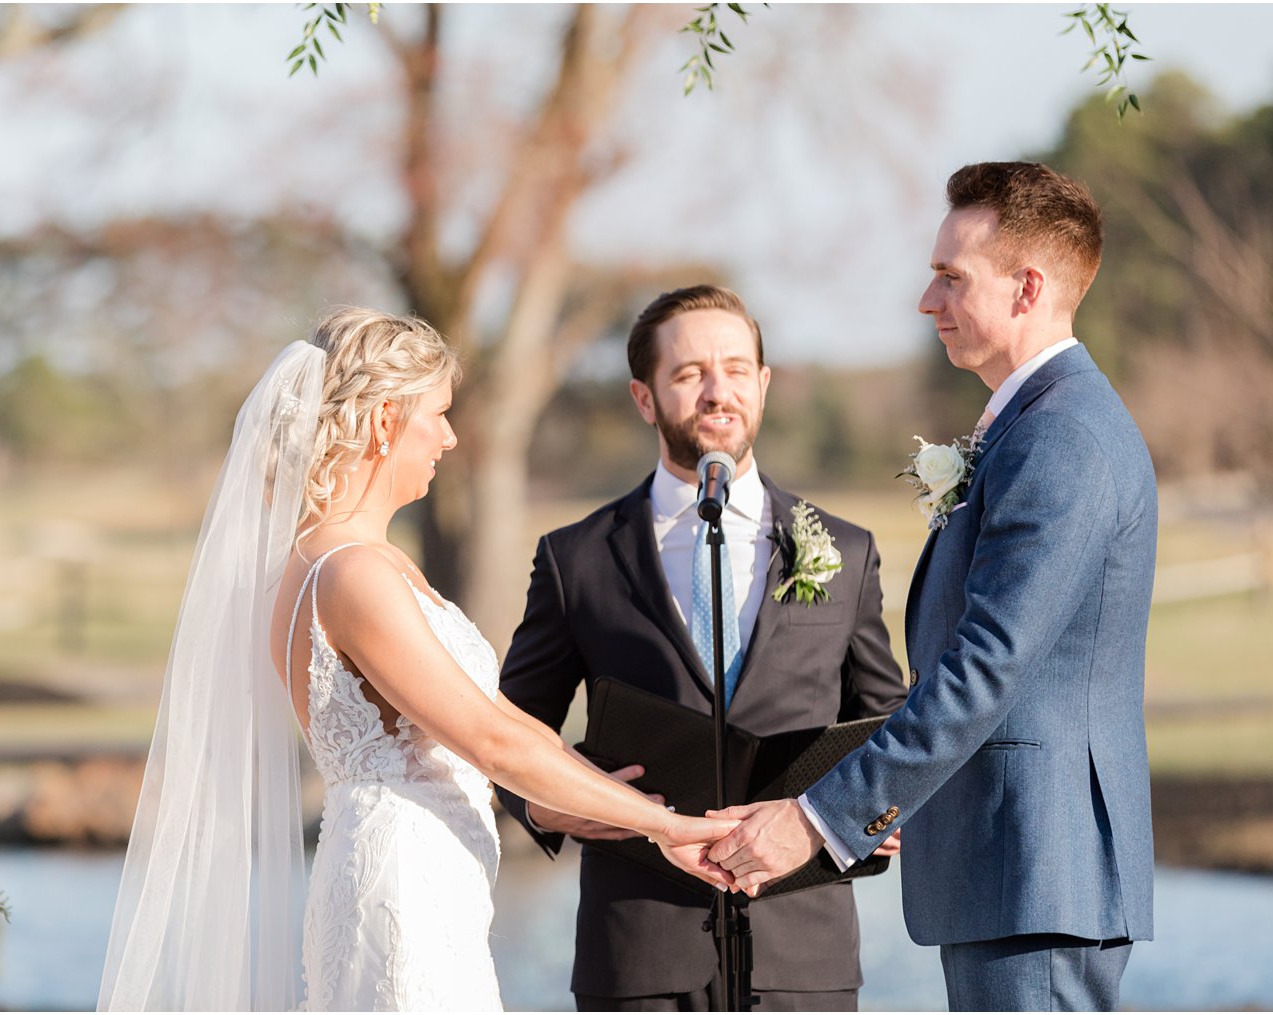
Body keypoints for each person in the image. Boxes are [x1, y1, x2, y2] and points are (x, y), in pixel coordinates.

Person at [98, 307, 737, 1012]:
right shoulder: (351, 574)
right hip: (402, 890)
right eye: (438, 414)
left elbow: (503, 724)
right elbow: (492, 742)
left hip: (423, 882)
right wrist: (668, 826)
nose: (451, 436)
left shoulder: (348, 560)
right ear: (383, 423)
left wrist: (598, 802)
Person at [708, 163, 1159, 1012]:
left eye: (951, 277)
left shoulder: (1060, 438)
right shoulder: (1037, 424)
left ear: (1028, 288)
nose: (927, 300)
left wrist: (817, 817)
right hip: (1014, 872)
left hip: (1037, 872)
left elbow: (986, 665)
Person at [496, 284, 908, 1011]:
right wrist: (554, 807)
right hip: (637, 956)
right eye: (689, 374)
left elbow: (887, 724)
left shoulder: (845, 549)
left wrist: (872, 816)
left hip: (802, 960)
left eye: (737, 369)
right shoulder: (577, 558)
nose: (718, 390)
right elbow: (507, 737)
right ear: (645, 396)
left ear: (765, 384)